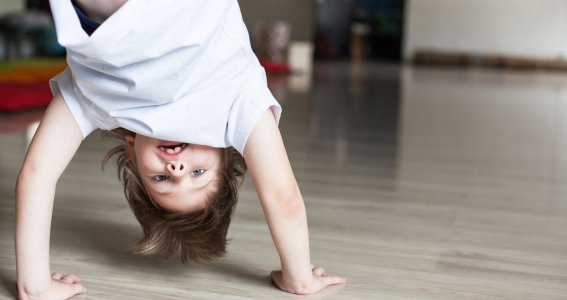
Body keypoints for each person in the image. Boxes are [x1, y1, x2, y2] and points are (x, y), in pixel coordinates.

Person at [15, 0, 347, 299]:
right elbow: (282, 198)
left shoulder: (99, 102)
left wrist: (36, 285)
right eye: (198, 174)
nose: (176, 171)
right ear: (225, 149)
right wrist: (299, 278)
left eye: (160, 178)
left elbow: (37, 174)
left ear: (131, 151)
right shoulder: (235, 108)